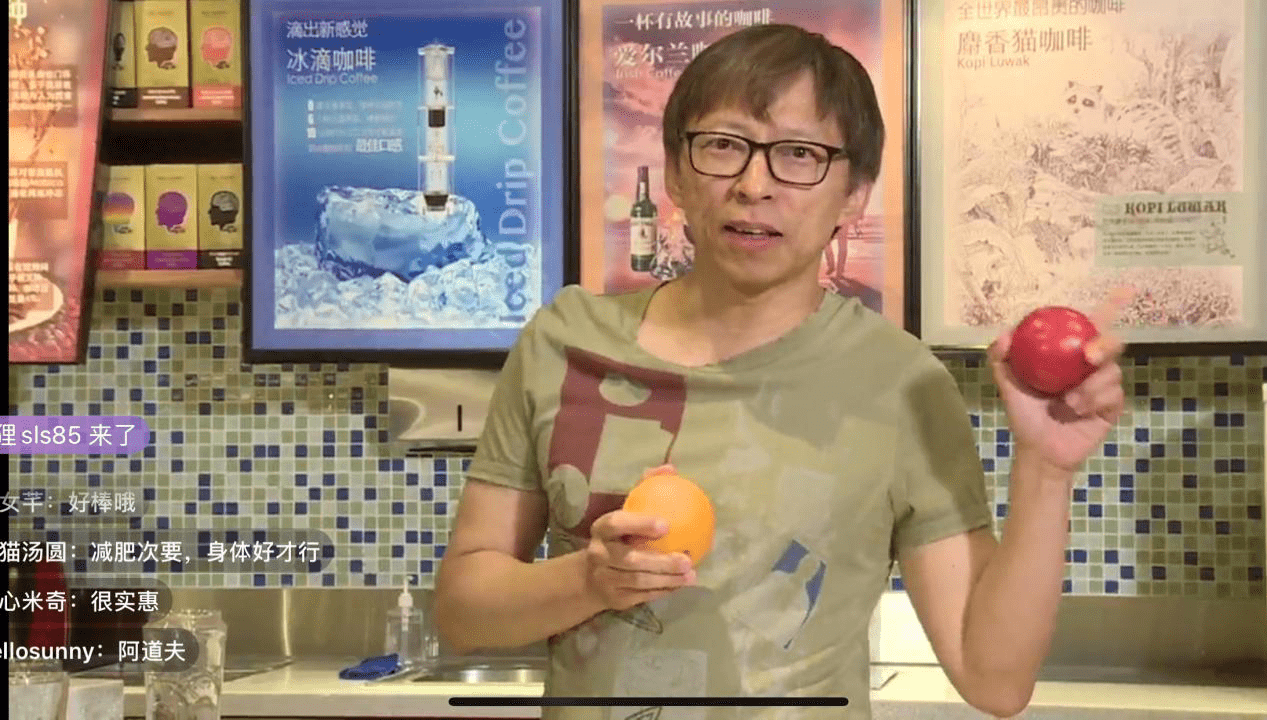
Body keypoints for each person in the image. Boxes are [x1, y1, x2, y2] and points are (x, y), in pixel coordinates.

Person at [434, 23, 1127, 720]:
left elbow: (993, 680)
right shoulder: (566, 341)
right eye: (723, 145)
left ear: (854, 193)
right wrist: (590, 579)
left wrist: (1046, 470)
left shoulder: (899, 381)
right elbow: (463, 613)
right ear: (675, 171)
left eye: (799, 154)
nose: (753, 185)